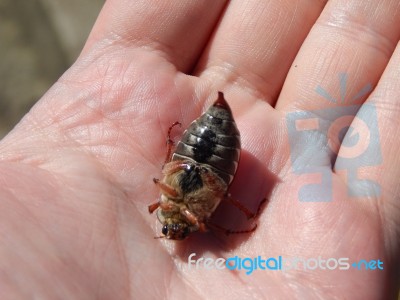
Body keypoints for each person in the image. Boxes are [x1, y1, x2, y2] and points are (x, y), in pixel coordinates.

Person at [0, 0, 399, 298]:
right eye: (179, 229)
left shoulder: (166, 204)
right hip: (214, 157)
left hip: (195, 149)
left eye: (170, 226)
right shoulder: (202, 218)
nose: (172, 228)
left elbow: (164, 183)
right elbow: (204, 206)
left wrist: (175, 186)